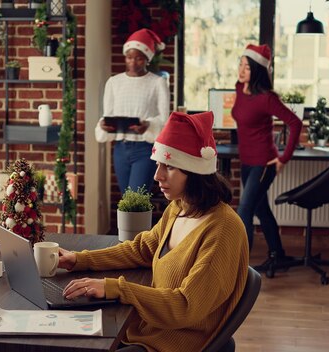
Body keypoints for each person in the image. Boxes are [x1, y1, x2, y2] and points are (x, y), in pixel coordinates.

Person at [60, 111, 249, 351]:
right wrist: (79, 259)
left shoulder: (223, 230)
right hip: (147, 329)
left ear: (195, 171)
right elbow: (142, 249)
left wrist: (115, 288)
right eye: (158, 164)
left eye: (168, 167)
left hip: (172, 343)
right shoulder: (179, 207)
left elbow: (185, 306)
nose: (157, 176)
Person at [231, 44, 303, 272]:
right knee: (261, 209)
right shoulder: (238, 89)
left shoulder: (266, 98)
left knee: (244, 210)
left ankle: (239, 269)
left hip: (264, 163)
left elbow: (295, 122)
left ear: (258, 71)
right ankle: (277, 254)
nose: (241, 70)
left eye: (247, 67)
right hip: (246, 162)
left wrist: (284, 158)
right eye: (240, 64)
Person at [95, 28, 170, 194]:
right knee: (126, 201)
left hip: (145, 149)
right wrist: (104, 125)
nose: (133, 62)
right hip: (120, 149)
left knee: (137, 201)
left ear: (147, 59)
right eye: (129, 57)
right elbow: (108, 114)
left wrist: (148, 125)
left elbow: (164, 119)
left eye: (139, 58)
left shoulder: (158, 83)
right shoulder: (114, 82)